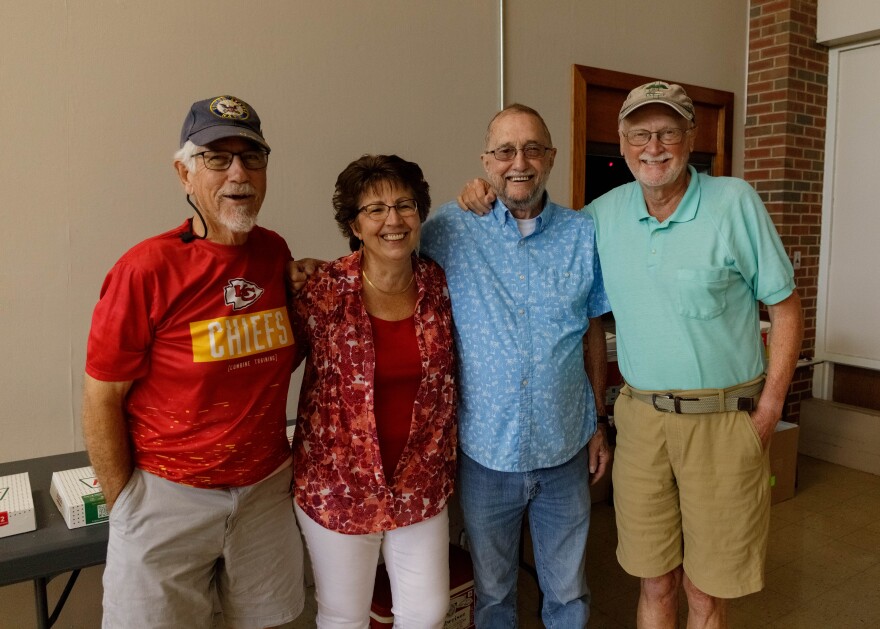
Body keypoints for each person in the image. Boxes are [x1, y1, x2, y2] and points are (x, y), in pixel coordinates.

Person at [457, 82, 804, 629]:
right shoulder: (600, 217)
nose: (654, 146)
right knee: (654, 579)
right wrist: (477, 193)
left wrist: (769, 411)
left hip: (721, 421)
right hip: (641, 421)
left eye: (668, 132)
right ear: (621, 141)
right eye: (640, 133)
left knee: (705, 589)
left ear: (691, 138)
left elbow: (786, 309)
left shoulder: (734, 202)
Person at [82, 95, 304, 629]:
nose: (238, 173)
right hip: (167, 499)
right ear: (184, 172)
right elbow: (101, 396)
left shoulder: (275, 254)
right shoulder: (147, 269)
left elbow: (274, 358)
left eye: (251, 158)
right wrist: (128, 503)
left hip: (264, 495)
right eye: (217, 158)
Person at [419, 104, 612, 628]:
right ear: (486, 161)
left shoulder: (581, 234)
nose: (518, 162)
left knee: (568, 593)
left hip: (565, 450)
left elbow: (593, 328)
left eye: (531, 149)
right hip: (486, 456)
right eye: (505, 151)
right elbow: (381, 254)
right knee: (494, 594)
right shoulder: (448, 229)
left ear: (550, 158)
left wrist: (600, 419)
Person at [290, 154, 457, 628]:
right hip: (338, 484)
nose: (393, 220)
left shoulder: (440, 285)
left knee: (426, 614)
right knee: (344, 616)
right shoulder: (322, 290)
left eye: (405, 205)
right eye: (375, 209)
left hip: (418, 482)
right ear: (354, 224)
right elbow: (274, 365)